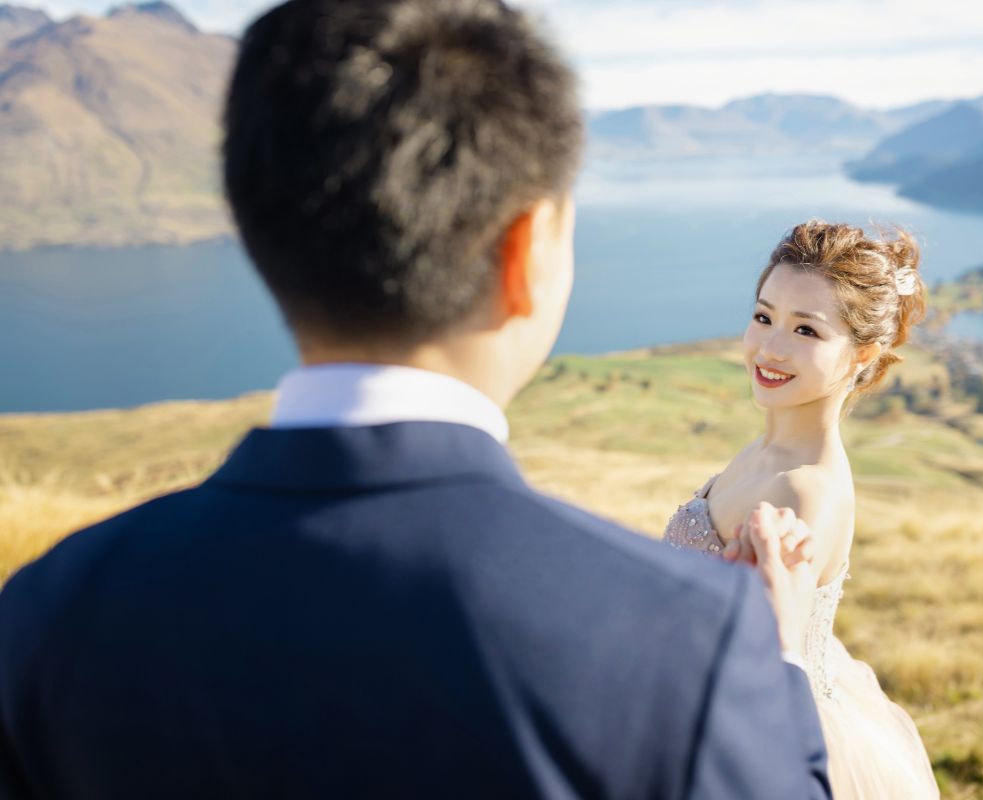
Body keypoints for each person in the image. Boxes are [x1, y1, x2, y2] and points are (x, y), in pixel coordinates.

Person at [0, 1, 831, 797]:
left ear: (265, 240)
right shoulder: (679, 638)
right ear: (526, 250)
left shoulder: (51, 610)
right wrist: (783, 656)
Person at [664, 221, 941, 798]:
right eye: (764, 317)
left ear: (863, 353)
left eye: (806, 330)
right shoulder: (764, 452)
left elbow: (756, 667)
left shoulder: (803, 491)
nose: (769, 347)